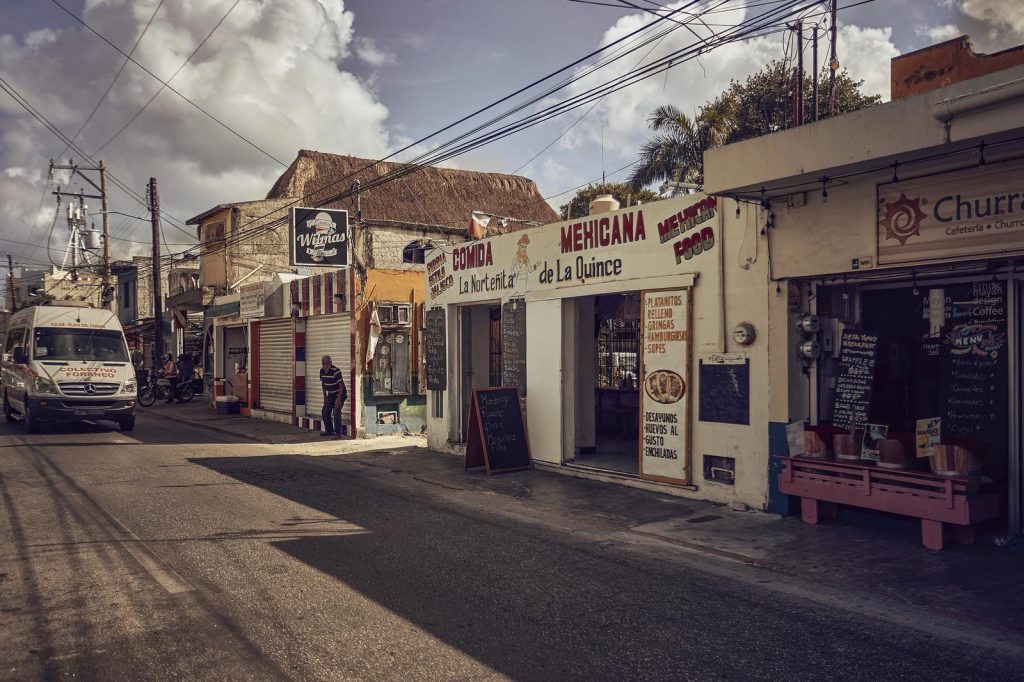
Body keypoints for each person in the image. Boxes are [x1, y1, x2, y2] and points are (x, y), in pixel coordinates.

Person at [319, 354, 346, 438]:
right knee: (325, 411)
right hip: (330, 394)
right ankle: (329, 430)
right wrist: (325, 397)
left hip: (339, 394)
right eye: (324, 364)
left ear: (331, 363)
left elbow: (341, 385)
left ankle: (338, 434)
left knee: (336, 411)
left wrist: (339, 399)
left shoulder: (336, 371)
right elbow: (323, 383)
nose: (325, 366)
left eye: (327, 364)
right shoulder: (322, 371)